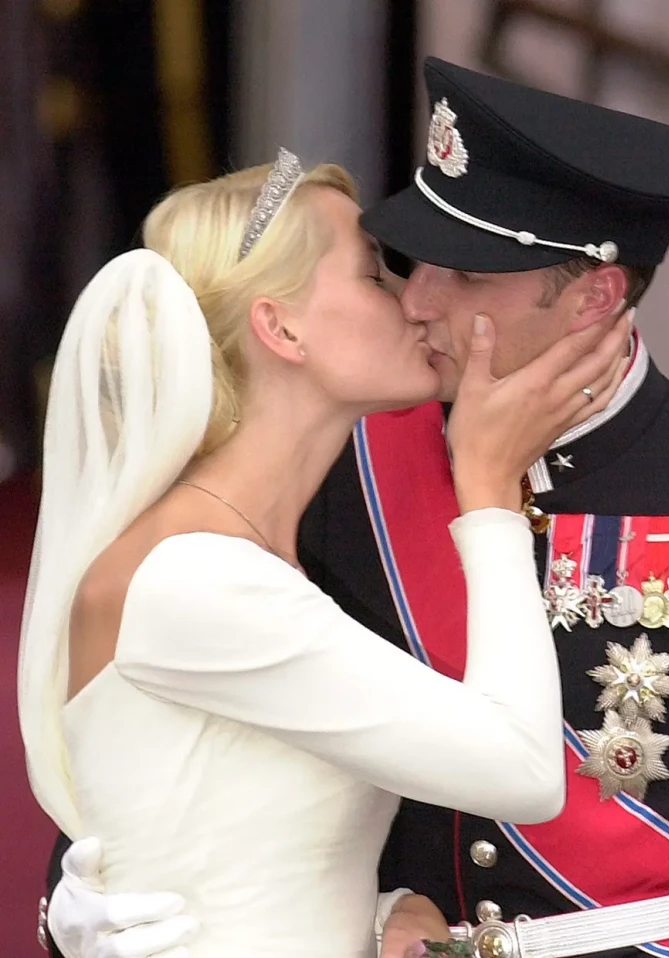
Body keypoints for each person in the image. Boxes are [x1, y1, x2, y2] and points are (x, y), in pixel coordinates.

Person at [41, 58, 669, 958]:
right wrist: (77, 907)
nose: (417, 296)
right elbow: (172, 767)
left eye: (468, 275)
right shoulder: (332, 471)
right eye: (408, 263)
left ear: (595, 297)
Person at [19, 148, 632, 958]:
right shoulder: (196, 577)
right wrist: (488, 488)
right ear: (280, 328)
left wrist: (387, 909)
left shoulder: (246, 557)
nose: (417, 302)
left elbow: (242, 844)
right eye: (376, 275)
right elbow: (519, 770)